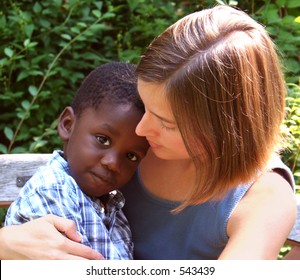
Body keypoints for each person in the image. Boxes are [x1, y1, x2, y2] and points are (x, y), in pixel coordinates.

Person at [0, 5, 297, 260]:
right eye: (146, 106)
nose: (141, 129)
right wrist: (9, 243)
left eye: (166, 122)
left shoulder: (264, 196)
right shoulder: (128, 146)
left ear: (225, 130)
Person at [3, 62, 149, 260]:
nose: (113, 163)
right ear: (67, 124)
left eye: (131, 156)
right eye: (102, 140)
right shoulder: (53, 192)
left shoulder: (113, 207)